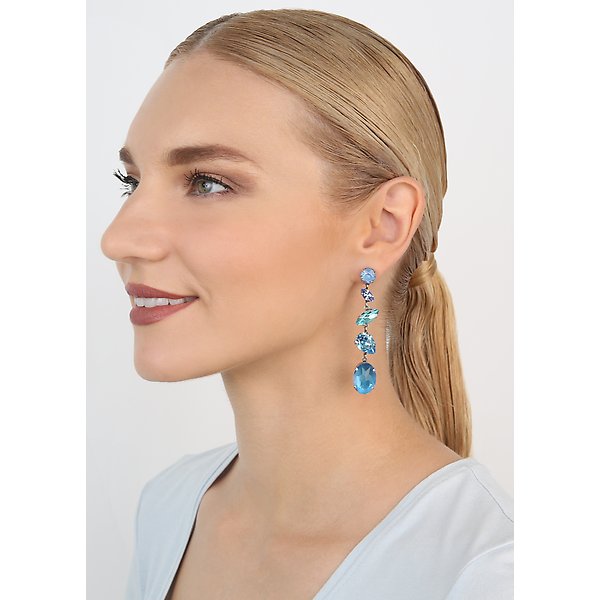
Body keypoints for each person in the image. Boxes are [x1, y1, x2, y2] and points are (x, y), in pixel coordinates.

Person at [100, 8, 513, 600]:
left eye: (208, 182)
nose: (118, 239)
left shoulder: (490, 573)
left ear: (382, 225)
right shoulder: (168, 508)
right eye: (132, 182)